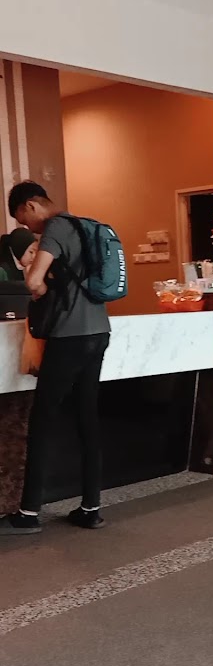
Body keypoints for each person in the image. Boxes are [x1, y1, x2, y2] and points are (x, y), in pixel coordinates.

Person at [0, 181, 111, 536]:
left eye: (23, 219)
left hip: (69, 337)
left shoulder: (56, 228)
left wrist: (42, 289)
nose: (27, 227)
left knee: (43, 420)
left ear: (31, 205)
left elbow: (33, 281)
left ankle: (28, 513)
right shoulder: (83, 225)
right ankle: (91, 509)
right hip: (98, 331)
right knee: (87, 418)